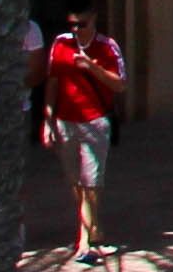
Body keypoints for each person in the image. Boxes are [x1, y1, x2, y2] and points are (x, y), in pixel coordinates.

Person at [35, 13, 127, 259]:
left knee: (91, 181)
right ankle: (94, 226)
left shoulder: (107, 47)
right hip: (66, 121)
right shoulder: (60, 44)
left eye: (82, 25)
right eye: (73, 25)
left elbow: (119, 85)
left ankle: (83, 241)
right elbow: (52, 83)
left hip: (95, 121)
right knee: (75, 179)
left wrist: (93, 67)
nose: (77, 30)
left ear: (94, 19)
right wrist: (48, 120)